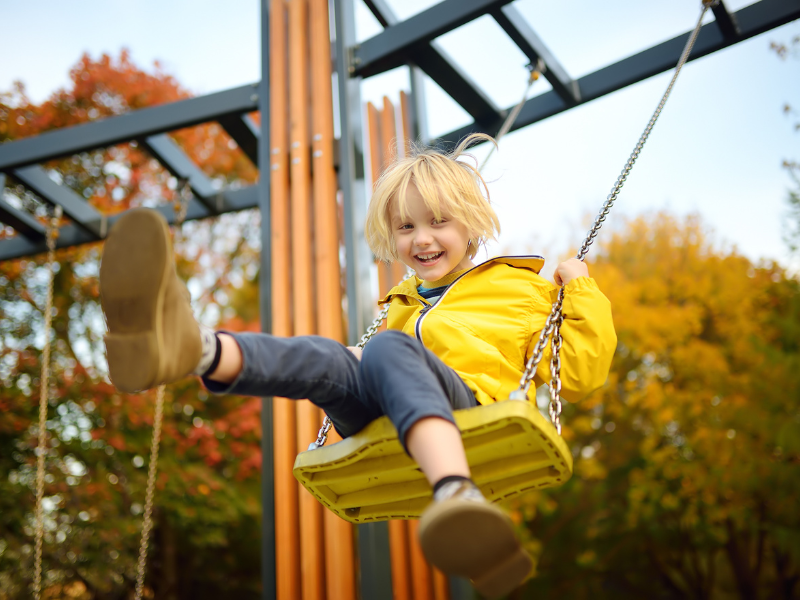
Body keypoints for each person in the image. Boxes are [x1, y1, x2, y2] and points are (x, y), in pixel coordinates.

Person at [99, 133, 616, 599]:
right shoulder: (400, 303)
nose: (422, 239)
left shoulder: (520, 289)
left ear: (472, 223)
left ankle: (457, 492)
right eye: (406, 226)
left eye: (439, 222)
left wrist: (580, 289)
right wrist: (358, 359)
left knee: (386, 351)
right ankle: (192, 349)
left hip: (470, 415)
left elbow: (582, 375)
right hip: (383, 419)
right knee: (331, 356)